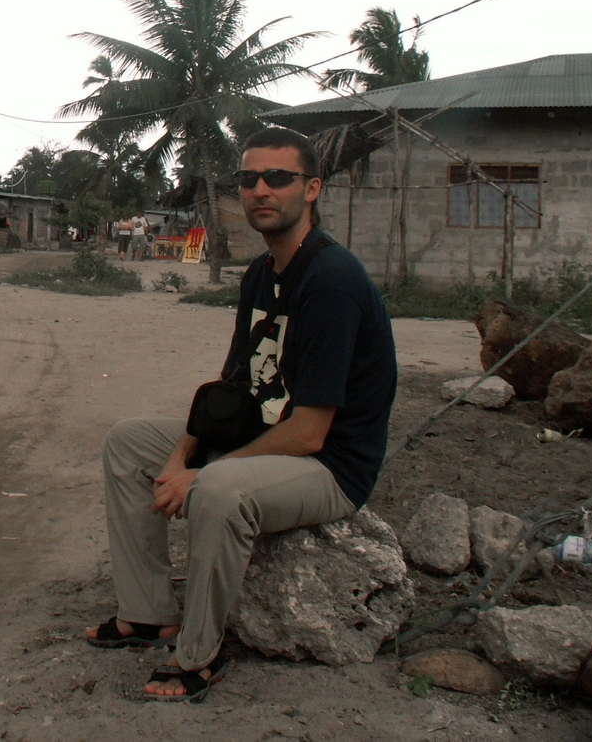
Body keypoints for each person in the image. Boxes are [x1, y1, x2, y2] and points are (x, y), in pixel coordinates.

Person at [85, 127, 397, 703]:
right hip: (265, 437)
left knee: (222, 490)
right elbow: (226, 393)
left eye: (278, 178)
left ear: (312, 189)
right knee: (130, 441)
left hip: (328, 466)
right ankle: (150, 613)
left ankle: (200, 654)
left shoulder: (332, 282)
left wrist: (201, 476)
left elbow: (310, 431)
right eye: (248, 179)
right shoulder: (260, 274)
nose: (260, 190)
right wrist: (181, 454)